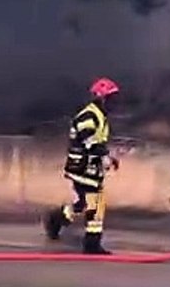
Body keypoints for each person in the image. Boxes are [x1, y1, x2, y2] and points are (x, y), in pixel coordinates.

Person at [43, 78, 121, 255]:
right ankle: (91, 243)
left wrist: (107, 157)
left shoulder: (99, 115)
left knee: (84, 203)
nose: (114, 103)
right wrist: (105, 156)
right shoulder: (89, 115)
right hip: (82, 167)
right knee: (94, 202)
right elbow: (89, 141)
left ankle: (57, 219)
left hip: (89, 167)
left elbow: (97, 142)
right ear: (101, 98)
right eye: (111, 98)